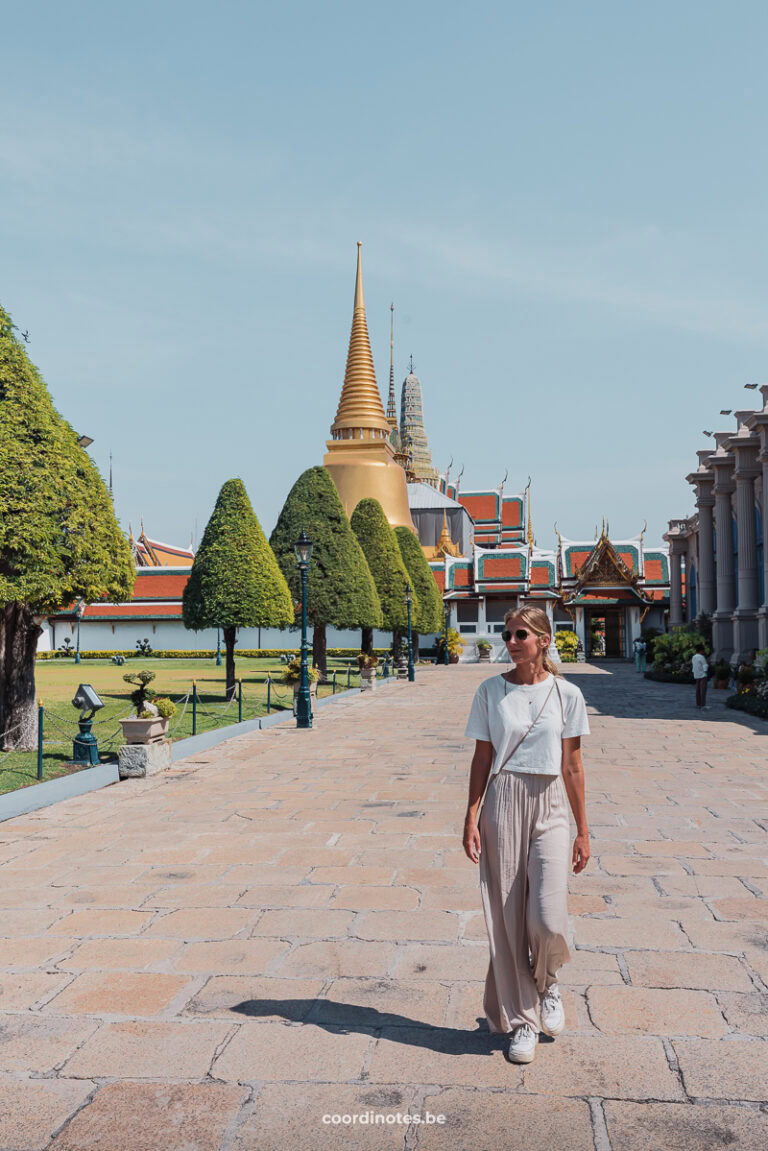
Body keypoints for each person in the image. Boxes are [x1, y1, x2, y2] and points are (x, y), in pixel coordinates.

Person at [463, 606, 591, 1064]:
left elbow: (573, 765)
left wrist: (583, 830)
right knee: (508, 918)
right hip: (503, 802)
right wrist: (471, 813)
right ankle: (522, 1022)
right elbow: (482, 758)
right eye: (507, 633)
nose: (511, 641)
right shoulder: (490, 692)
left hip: (552, 803)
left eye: (521, 634)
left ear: (544, 640)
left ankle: (549, 981)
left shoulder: (567, 694)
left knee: (546, 917)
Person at [692, 644, 709, 710]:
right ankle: (703, 705)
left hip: (696, 675)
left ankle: (698, 703)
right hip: (702, 675)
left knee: (698, 690)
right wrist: (706, 671)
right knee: (703, 690)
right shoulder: (702, 657)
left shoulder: (694, 657)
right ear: (701, 650)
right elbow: (705, 666)